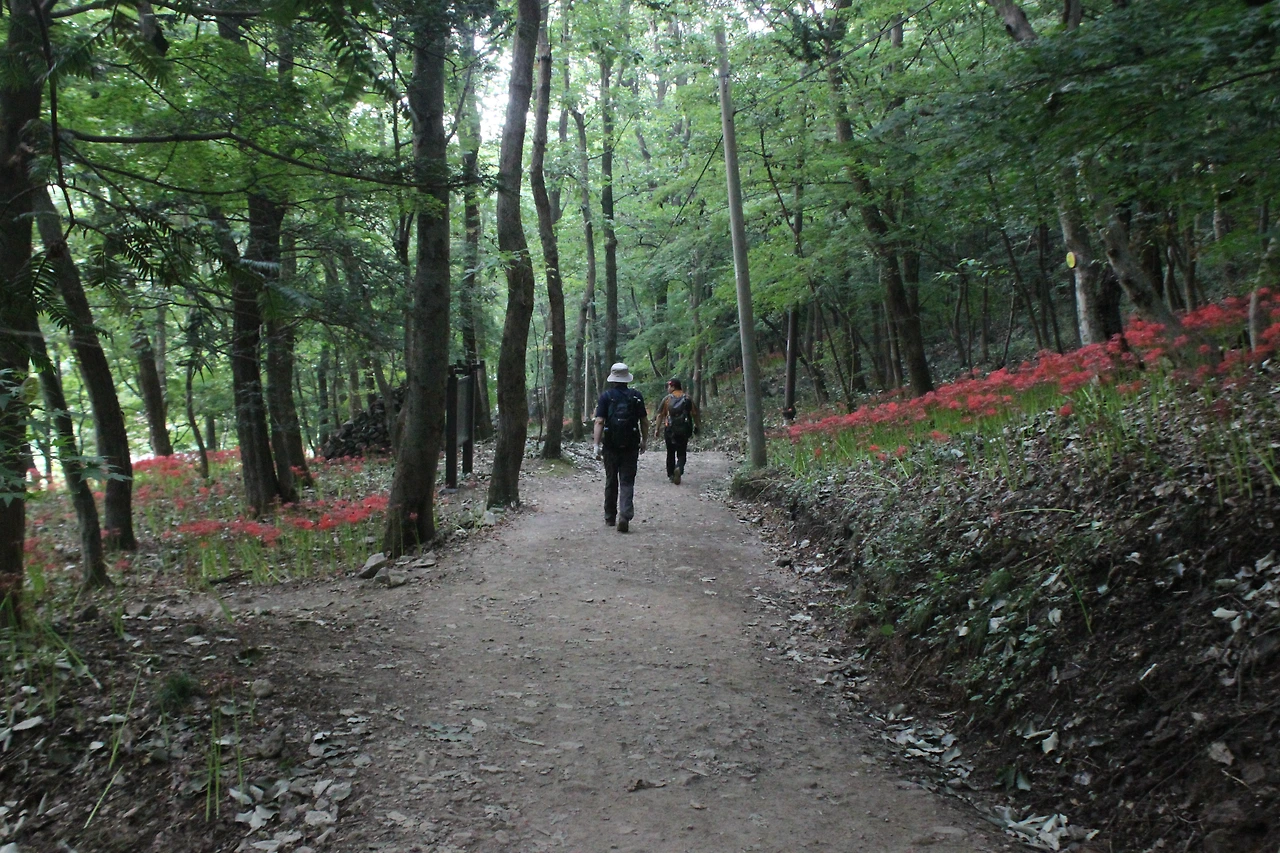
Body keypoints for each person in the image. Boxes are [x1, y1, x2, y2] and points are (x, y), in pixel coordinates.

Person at [593, 362, 648, 533]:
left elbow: (599, 421)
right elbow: (644, 421)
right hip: (631, 444)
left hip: (610, 445)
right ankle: (625, 515)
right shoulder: (636, 396)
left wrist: (596, 445)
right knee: (627, 481)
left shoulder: (606, 397)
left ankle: (610, 516)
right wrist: (644, 440)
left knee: (611, 480)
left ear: (613, 378)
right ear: (627, 378)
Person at [652, 377, 700, 485]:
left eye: (669, 386)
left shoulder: (667, 399)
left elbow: (659, 415)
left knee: (670, 452)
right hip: (684, 429)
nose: (668, 388)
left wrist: (657, 429)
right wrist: (697, 426)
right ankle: (679, 467)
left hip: (670, 429)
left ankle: (671, 475)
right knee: (682, 452)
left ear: (673, 386)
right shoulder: (687, 398)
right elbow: (695, 413)